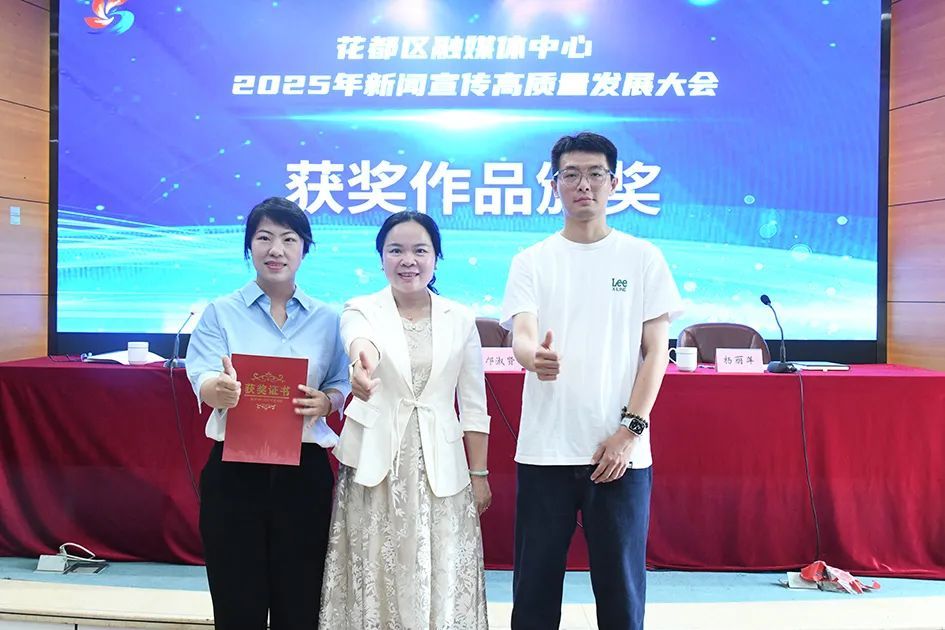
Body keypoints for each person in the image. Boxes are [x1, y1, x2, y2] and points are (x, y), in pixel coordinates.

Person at [501, 132, 684, 630]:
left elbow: (656, 352)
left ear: (614, 182)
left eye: (595, 174)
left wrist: (629, 432)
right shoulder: (532, 260)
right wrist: (534, 358)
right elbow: (522, 335)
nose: (583, 184)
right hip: (546, 451)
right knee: (534, 593)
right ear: (554, 184)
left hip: (620, 453)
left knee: (621, 594)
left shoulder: (642, 257)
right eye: (571, 174)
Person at [319, 211, 492, 629]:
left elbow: (473, 404)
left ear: (436, 258)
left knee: (438, 568)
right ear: (381, 257)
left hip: (441, 469)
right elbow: (361, 342)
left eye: (420, 250)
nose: (408, 260)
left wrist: (480, 473)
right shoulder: (360, 308)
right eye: (396, 250)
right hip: (376, 466)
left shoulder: (459, 317)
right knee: (376, 565)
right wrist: (361, 366)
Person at [185, 197, 349, 630]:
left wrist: (328, 401)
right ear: (249, 246)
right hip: (235, 474)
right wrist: (218, 390)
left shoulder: (328, 319)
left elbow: (341, 381)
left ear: (304, 249)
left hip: (304, 474)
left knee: (301, 604)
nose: (276, 250)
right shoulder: (220, 312)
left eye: (288, 239)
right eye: (264, 238)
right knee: (237, 605)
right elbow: (201, 374)